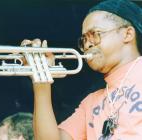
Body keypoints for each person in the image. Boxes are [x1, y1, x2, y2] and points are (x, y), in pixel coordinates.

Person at [21, 0, 142, 139]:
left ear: (127, 34)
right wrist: (41, 81)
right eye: (84, 39)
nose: (87, 44)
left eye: (95, 34)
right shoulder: (90, 103)